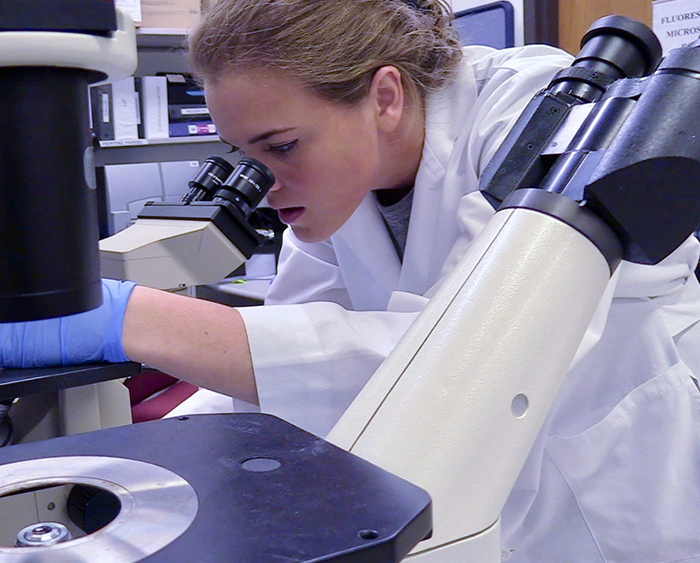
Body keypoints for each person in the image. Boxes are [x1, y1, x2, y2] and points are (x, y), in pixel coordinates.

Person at [3, 0, 700, 561]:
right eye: (245, 152)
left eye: (280, 147)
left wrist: (135, 319)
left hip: (611, 491)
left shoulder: (536, 115)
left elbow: (469, 350)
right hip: (480, 489)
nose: (266, 183)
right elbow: (291, 343)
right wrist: (145, 457)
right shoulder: (344, 181)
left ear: (387, 96)